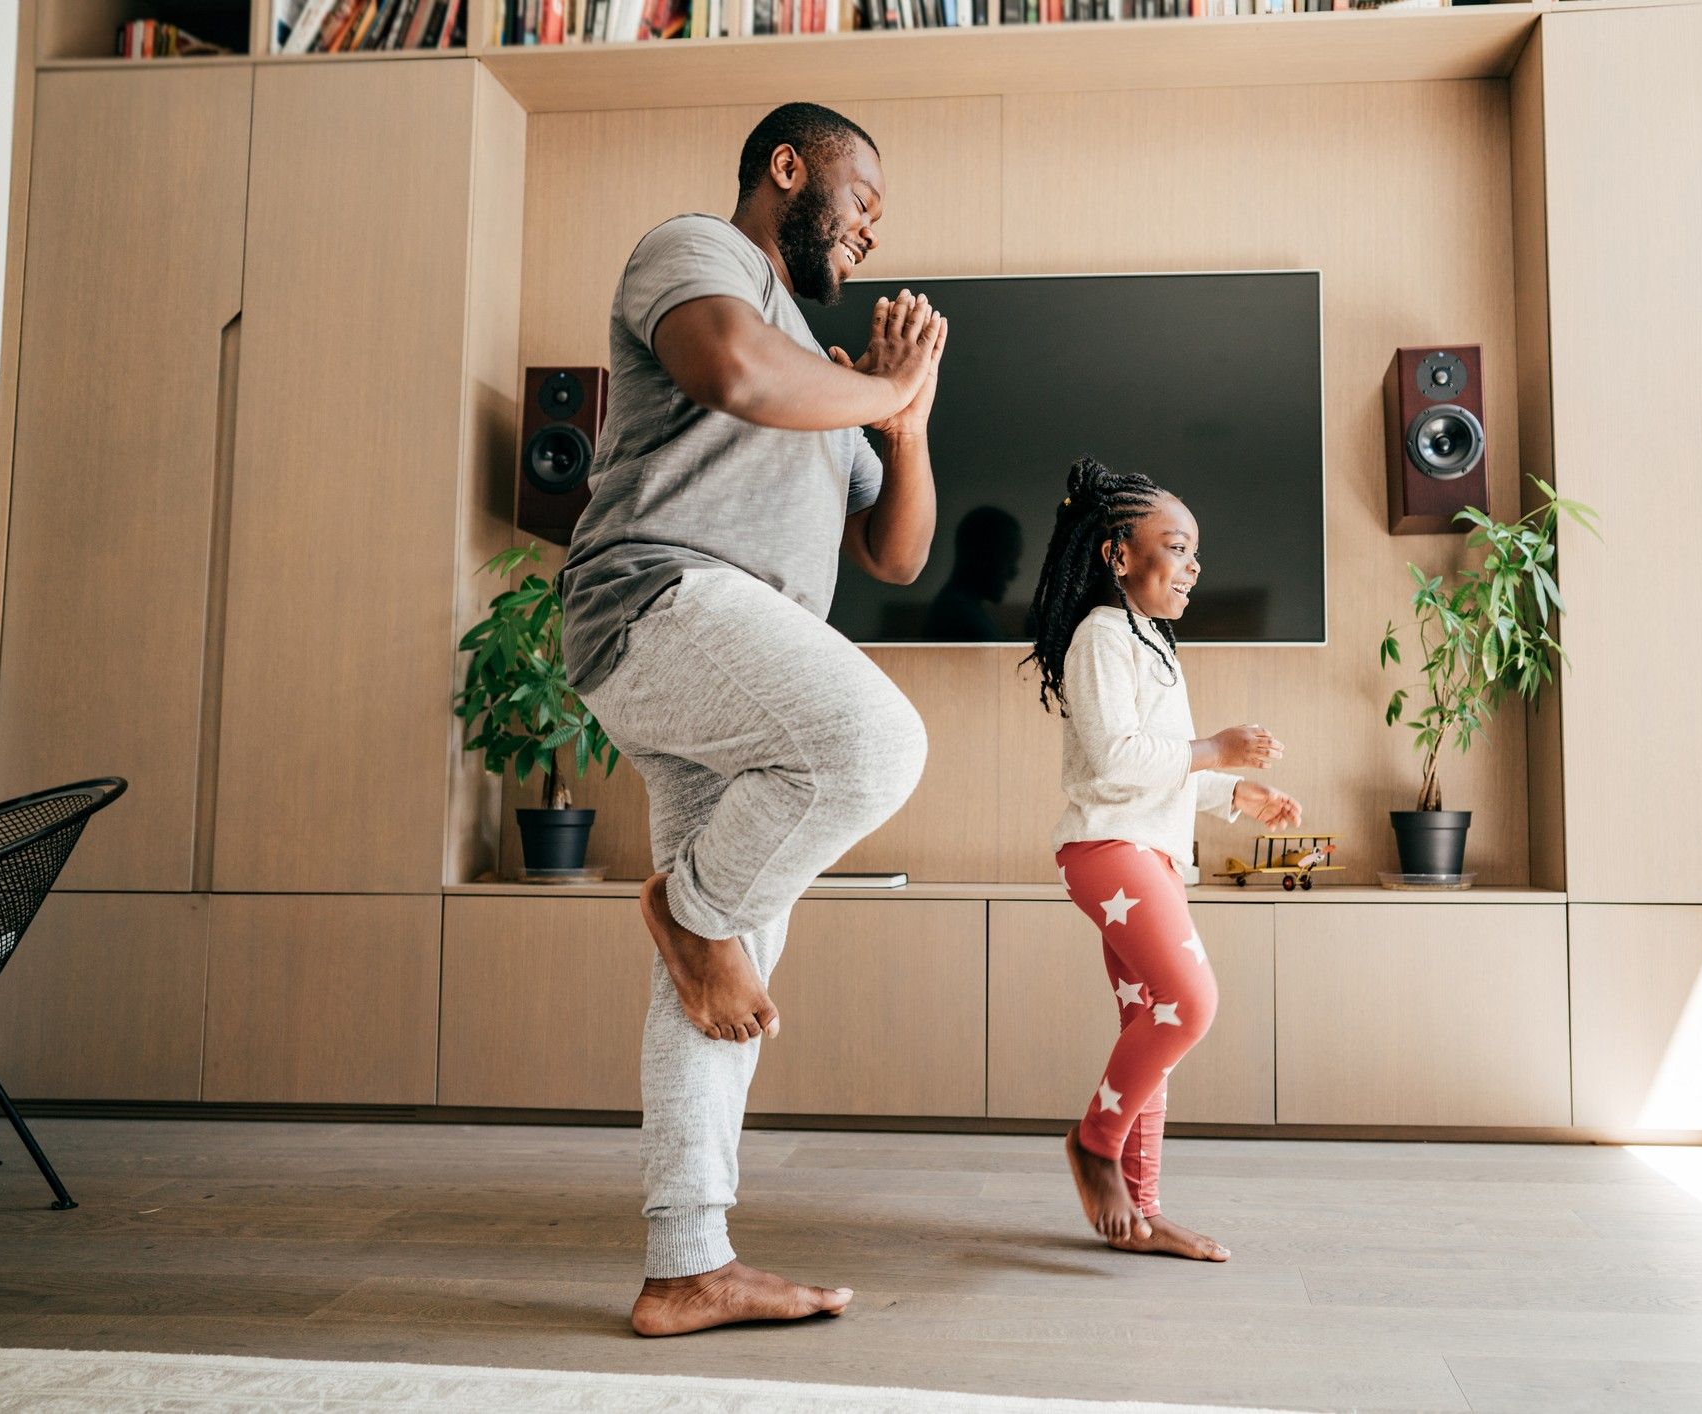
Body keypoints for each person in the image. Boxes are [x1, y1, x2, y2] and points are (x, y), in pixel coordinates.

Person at [556, 102, 949, 1336]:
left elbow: (896, 553)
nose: (874, 226)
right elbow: (728, 367)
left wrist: (903, 419)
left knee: (726, 980)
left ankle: (686, 1263)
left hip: (723, 670)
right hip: (660, 599)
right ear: (788, 169)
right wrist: (866, 383)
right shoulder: (699, 254)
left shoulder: (830, 388)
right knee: (878, 747)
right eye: (862, 194)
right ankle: (686, 908)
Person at [1022, 457, 1303, 1262]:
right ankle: (1094, 1144)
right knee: (1191, 1002)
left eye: (1195, 554)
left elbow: (1160, 764)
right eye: (1175, 548)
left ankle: (1140, 1213)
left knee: (1151, 1023)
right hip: (1109, 849)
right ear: (1117, 556)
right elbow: (1116, 761)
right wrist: (1214, 748)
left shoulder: (1152, 641)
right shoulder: (1103, 635)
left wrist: (1234, 792)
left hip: (1140, 846)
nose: (1193, 567)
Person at [923, 504, 1023, 641]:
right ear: (980, 555)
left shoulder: (958, 608)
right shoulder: (961, 617)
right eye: (1008, 559)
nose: (1013, 573)